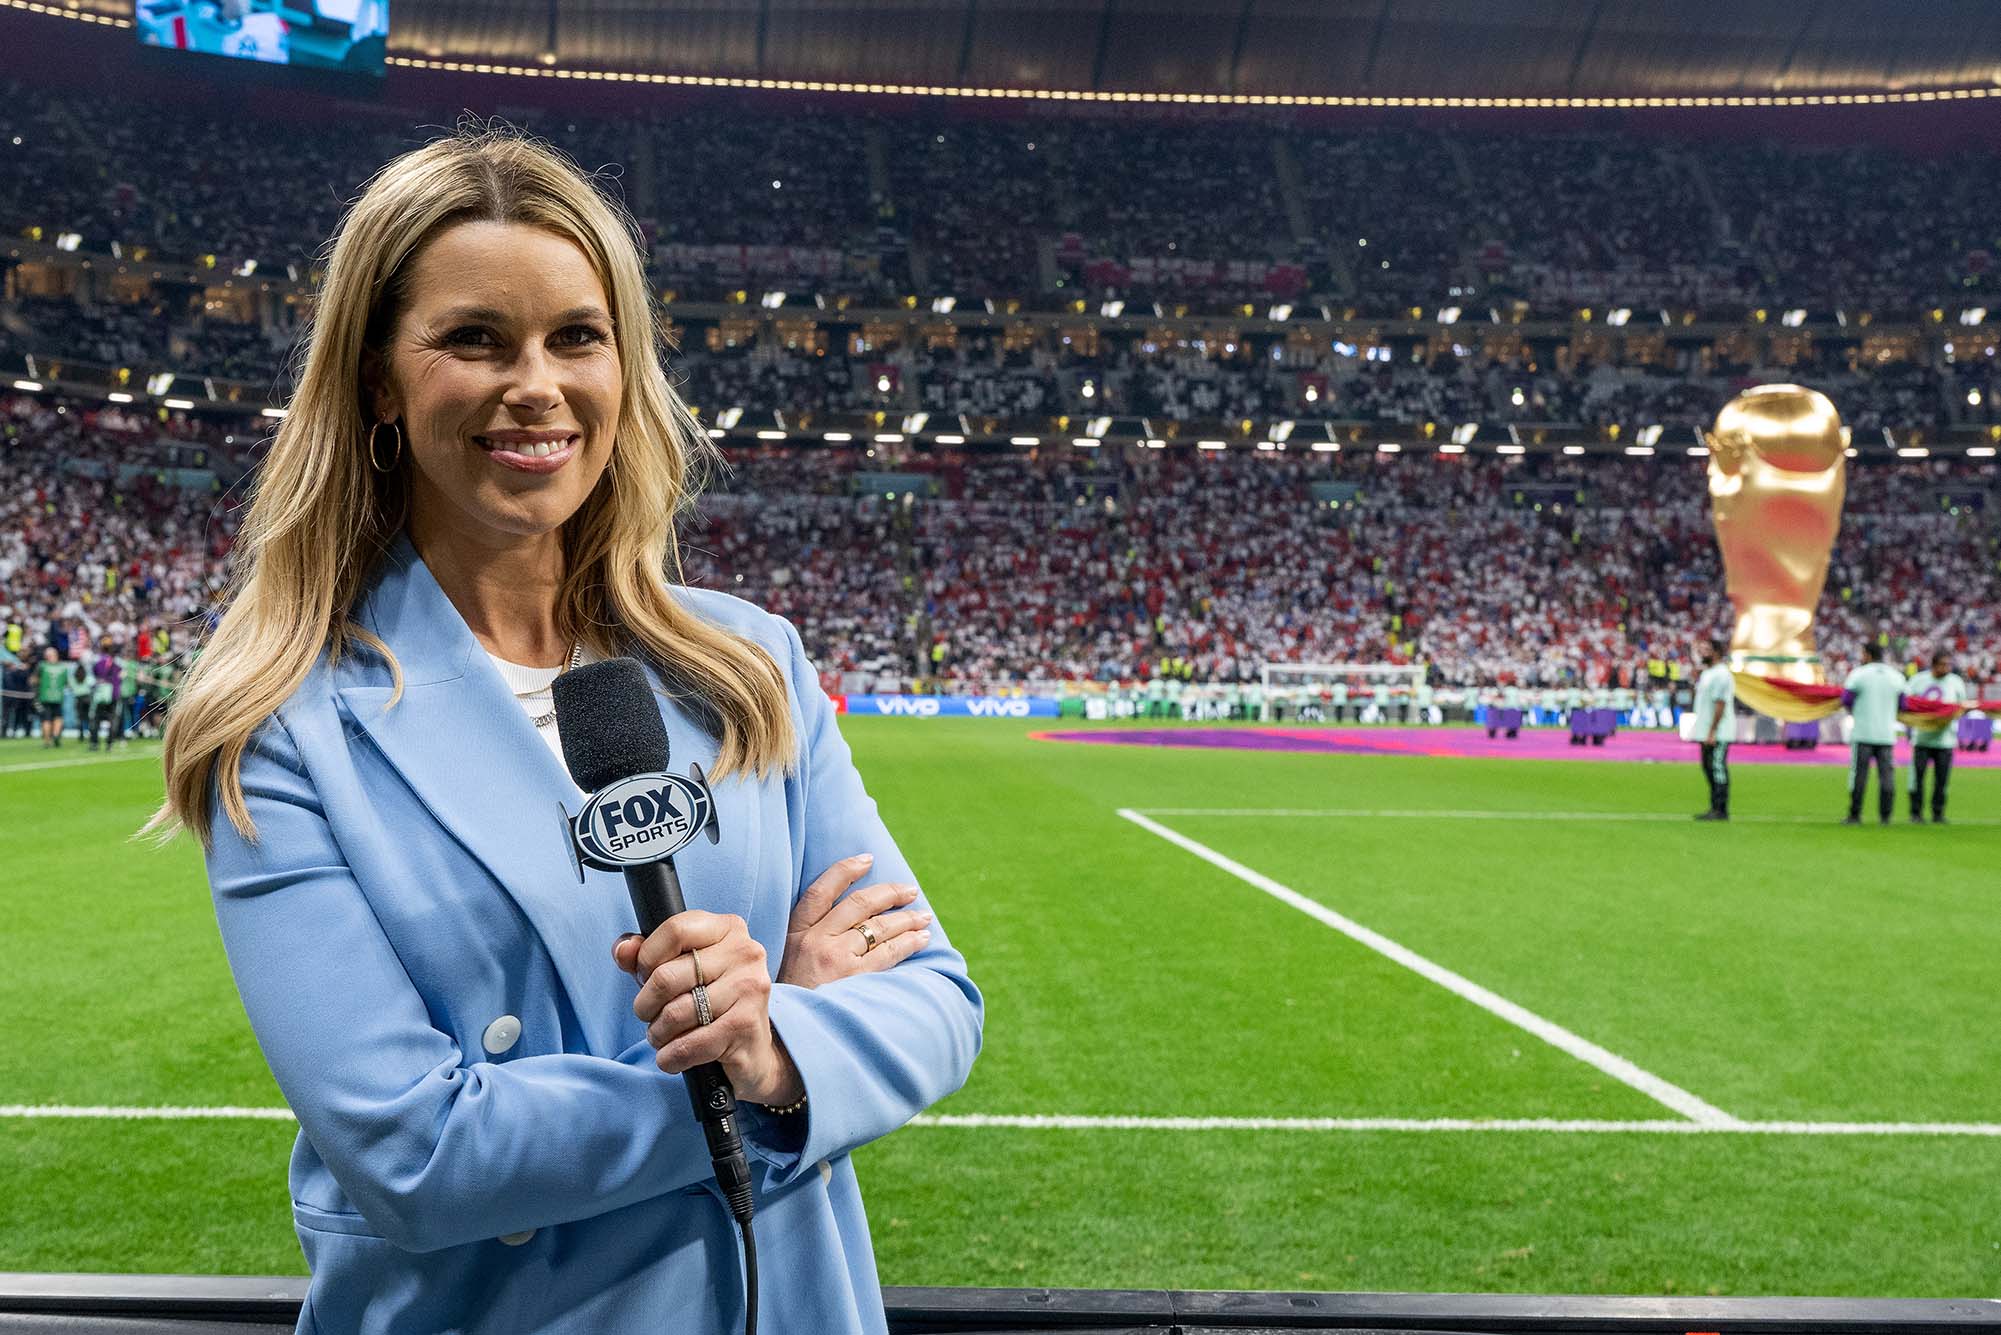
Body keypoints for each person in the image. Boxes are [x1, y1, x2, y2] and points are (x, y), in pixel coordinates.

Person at [143, 126, 981, 1335]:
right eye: (475, 339)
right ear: (380, 377)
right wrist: (764, 1066)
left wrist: (775, 1039)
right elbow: (419, 1157)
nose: (535, 384)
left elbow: (937, 996)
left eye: (576, 337)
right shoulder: (280, 726)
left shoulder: (751, 662)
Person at [1842, 640, 1905, 826]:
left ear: (1867, 655)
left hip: (1863, 733)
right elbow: (1904, 704)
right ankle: (1885, 817)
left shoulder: (1858, 675)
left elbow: (1846, 699)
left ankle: (1855, 814)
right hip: (1886, 734)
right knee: (1887, 777)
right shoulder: (1896, 676)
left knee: (1859, 776)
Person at [1904, 649, 1968, 823]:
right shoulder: (1918, 680)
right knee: (1917, 778)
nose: (1946, 668)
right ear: (1934, 665)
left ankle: (1938, 813)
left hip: (1945, 740)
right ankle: (1916, 813)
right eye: (1943, 665)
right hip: (1922, 738)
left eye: (1948, 664)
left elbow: (1961, 707)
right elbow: (1906, 703)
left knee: (1941, 780)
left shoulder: (1956, 682)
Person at [1691, 639, 1734, 821]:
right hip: (1707, 730)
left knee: (1717, 768)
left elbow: (1720, 703)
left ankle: (1721, 809)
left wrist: (1712, 731)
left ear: (1716, 652)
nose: (1702, 653)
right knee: (1708, 767)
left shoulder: (1722, 675)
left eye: (1706, 650)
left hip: (1719, 731)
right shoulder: (1708, 673)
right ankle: (1714, 807)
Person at [30, 645, 66, 747]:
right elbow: (66, 683)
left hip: (44, 696)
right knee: (58, 717)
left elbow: (33, 680)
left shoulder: (42, 666)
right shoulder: (63, 667)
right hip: (58, 697)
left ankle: (47, 741)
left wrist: (36, 687)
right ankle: (55, 735)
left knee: (46, 719)